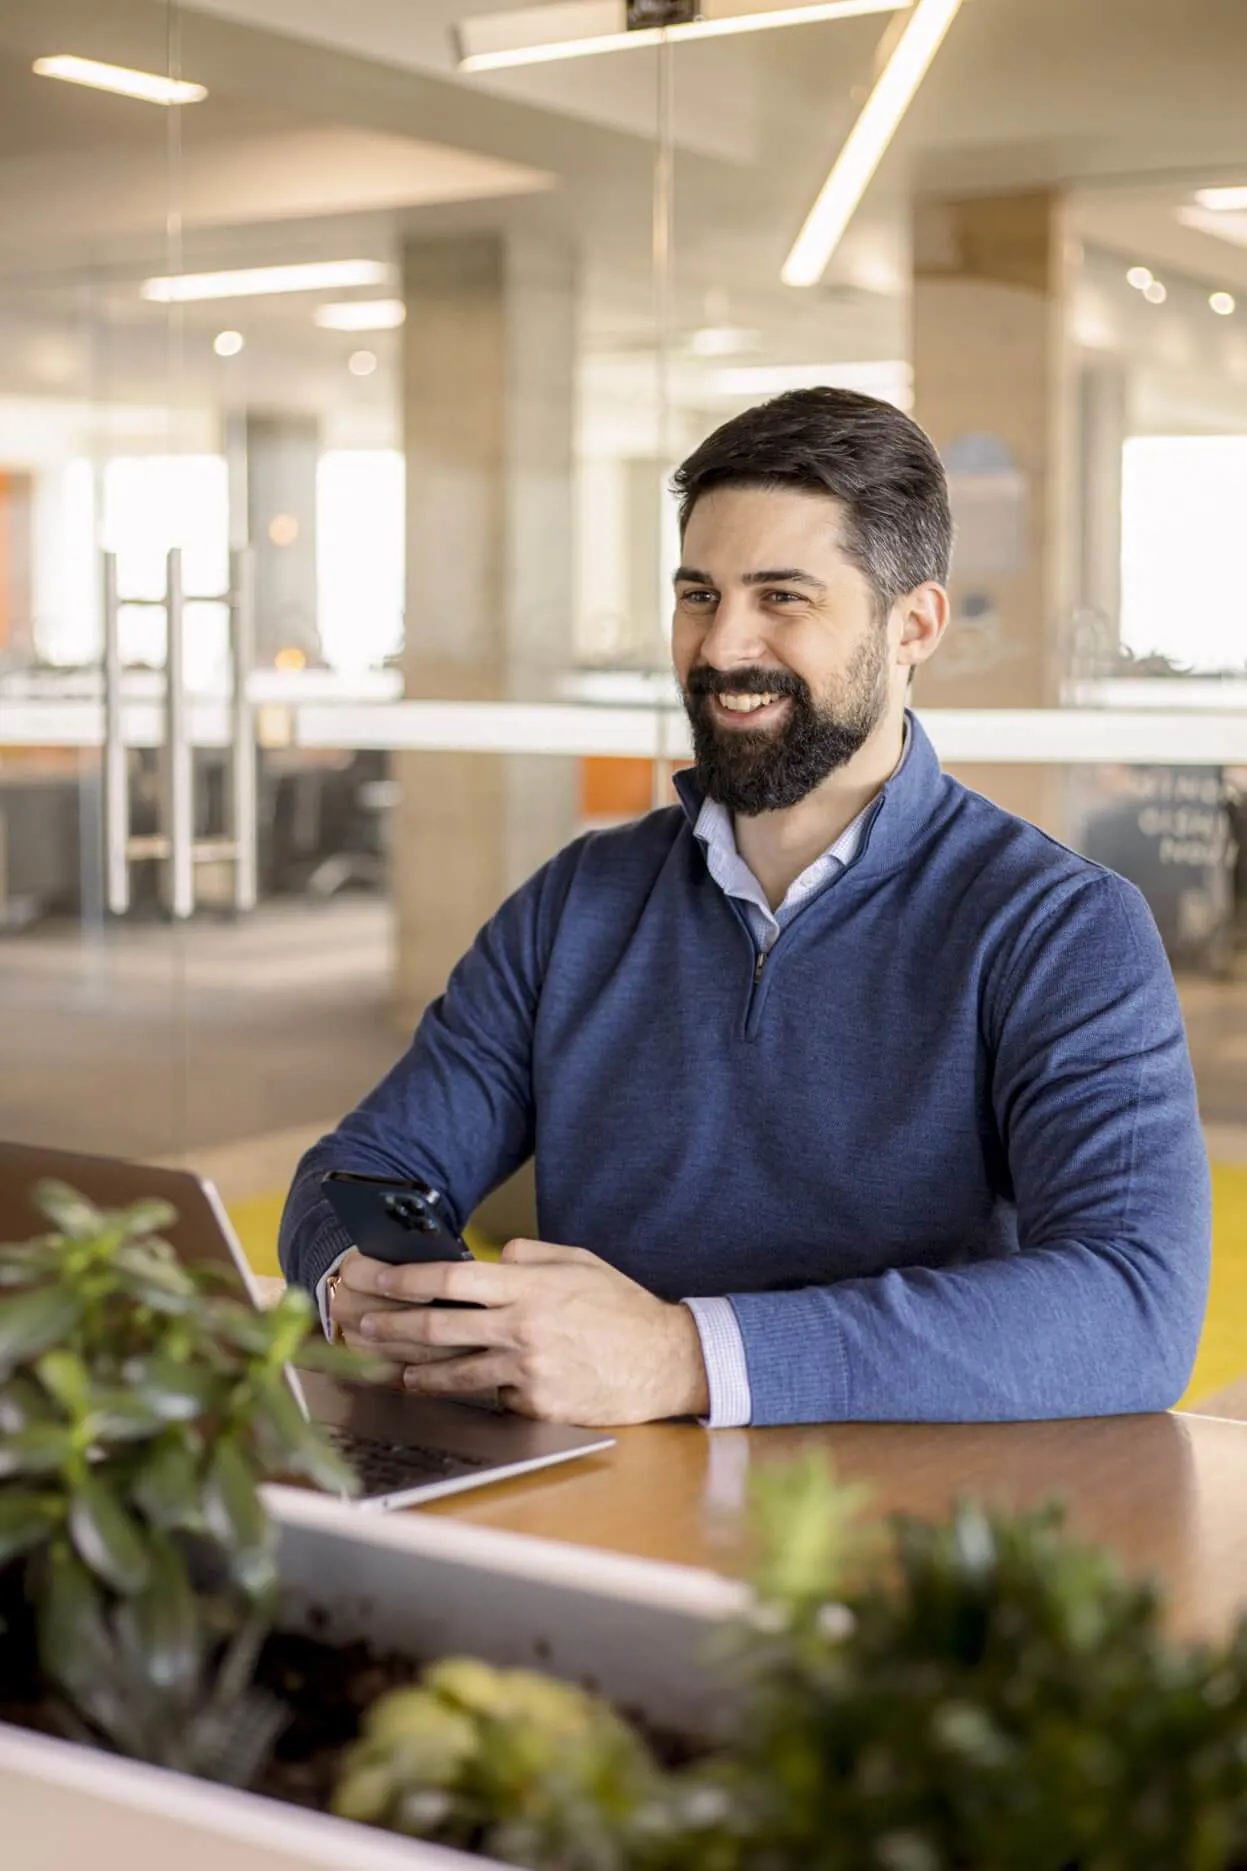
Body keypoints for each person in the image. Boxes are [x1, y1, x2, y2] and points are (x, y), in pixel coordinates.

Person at [279, 388, 1210, 1429]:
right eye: (697, 594)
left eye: (781, 597)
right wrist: (361, 1277)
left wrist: (684, 1356)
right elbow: (363, 1168)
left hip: (892, 1523)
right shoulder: (578, 901)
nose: (722, 647)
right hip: (598, 1495)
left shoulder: (1058, 927)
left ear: (914, 624)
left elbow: (1134, 1305)